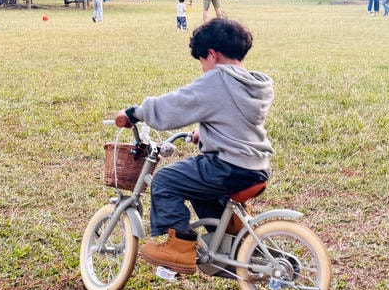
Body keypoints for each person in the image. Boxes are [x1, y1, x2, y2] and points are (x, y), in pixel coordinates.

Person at [114, 18, 273, 274]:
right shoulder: (250, 84)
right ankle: (231, 239)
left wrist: (135, 113)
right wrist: (206, 130)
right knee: (200, 189)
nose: (203, 69)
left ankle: (179, 248)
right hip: (255, 166)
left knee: (166, 180)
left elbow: (177, 104)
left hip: (228, 165)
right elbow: (234, 118)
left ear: (212, 54)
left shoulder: (219, 78)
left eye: (202, 62)